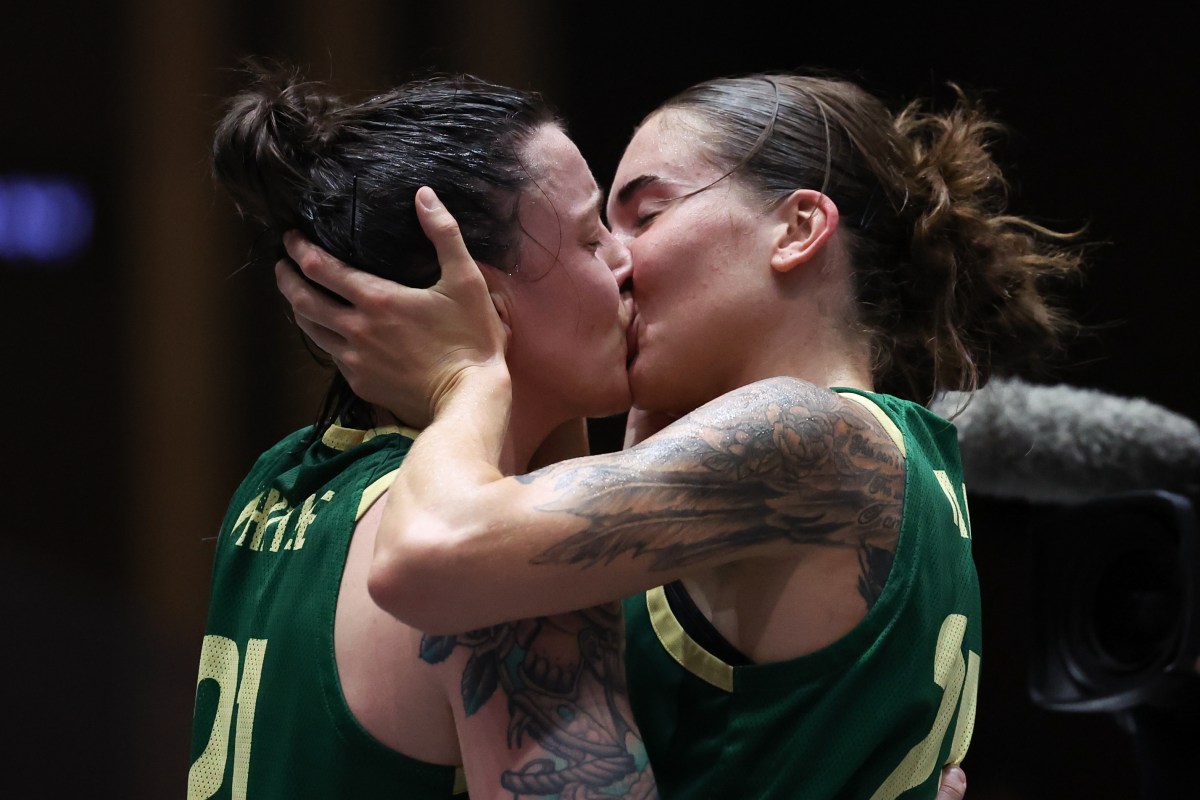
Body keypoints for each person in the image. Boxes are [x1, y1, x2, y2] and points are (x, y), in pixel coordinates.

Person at [278, 70, 1084, 799]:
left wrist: (464, 379)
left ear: (797, 228)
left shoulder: (810, 437)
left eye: (645, 216)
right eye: (598, 232)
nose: (611, 264)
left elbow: (433, 557)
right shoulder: (866, 456)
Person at [188, 62, 657, 800]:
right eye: (591, 238)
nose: (628, 261)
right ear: (479, 299)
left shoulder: (274, 481)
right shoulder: (495, 568)